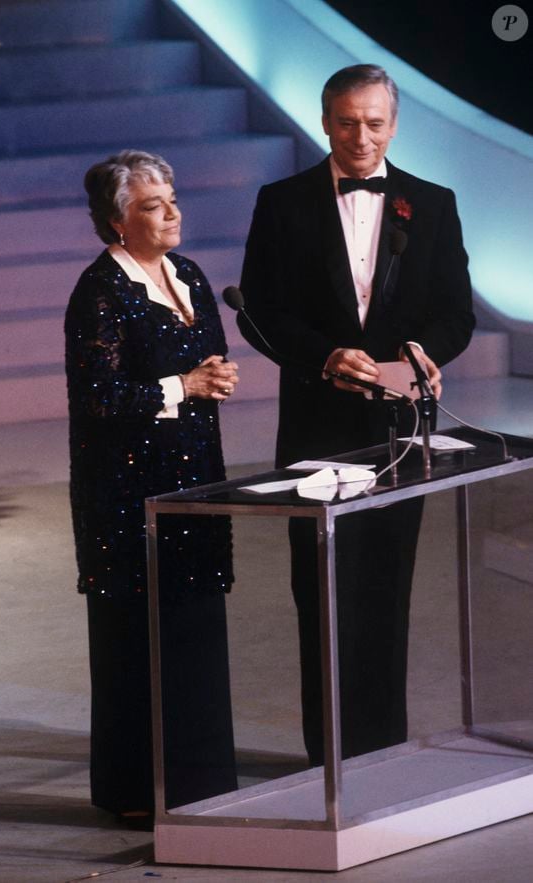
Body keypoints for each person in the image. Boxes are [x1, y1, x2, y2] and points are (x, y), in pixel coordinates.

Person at [239, 64, 474, 763]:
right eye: (347, 121)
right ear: (325, 122)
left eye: (374, 121)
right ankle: (329, 759)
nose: (361, 135)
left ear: (394, 124)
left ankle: (383, 752)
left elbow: (455, 312)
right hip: (316, 425)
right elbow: (261, 311)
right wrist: (323, 356)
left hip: (400, 429)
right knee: (322, 591)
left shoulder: (432, 204)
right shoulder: (281, 202)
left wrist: (420, 352)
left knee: (386, 589)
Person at [65, 150, 240, 820]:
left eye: (171, 197)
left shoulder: (188, 273)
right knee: (135, 636)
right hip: (126, 493)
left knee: (193, 621)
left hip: (194, 476)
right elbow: (99, 396)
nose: (172, 212)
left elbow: (207, 357)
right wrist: (185, 386)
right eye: (152, 204)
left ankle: (202, 783)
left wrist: (214, 378)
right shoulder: (100, 292)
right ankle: (138, 793)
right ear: (116, 221)